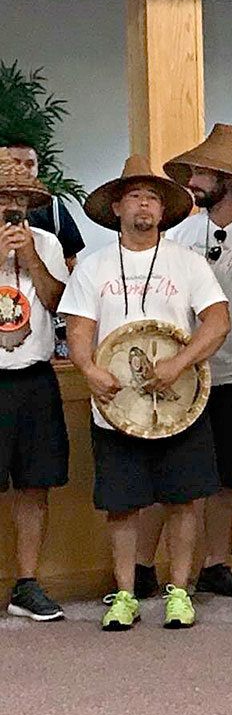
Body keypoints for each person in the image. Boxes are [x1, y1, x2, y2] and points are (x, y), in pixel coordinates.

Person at [59, 157, 229, 631]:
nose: (144, 205)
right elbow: (78, 328)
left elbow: (217, 321)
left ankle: (179, 592)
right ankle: (125, 594)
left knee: (185, 498)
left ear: (163, 209)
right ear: (116, 206)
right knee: (122, 504)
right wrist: (89, 368)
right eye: (134, 196)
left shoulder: (188, 262)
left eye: (152, 197)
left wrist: (181, 361)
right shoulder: (92, 267)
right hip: (116, 407)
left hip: (182, 403)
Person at [149, 123, 232, 599]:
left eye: (201, 173)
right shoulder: (182, 235)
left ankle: (218, 563)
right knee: (172, 473)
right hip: (182, 374)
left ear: (227, 179)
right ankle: (143, 566)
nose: (193, 182)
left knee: (229, 477)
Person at [0, 152, 69, 621]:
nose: (13, 206)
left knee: (34, 486)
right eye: (4, 197)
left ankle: (27, 583)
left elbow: (58, 301)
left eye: (20, 199)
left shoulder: (45, 241)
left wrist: (27, 255)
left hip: (34, 377)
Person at [5, 142, 85, 265]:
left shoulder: (53, 206)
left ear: (37, 169)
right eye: (15, 163)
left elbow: (70, 259)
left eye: (30, 164)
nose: (22, 169)